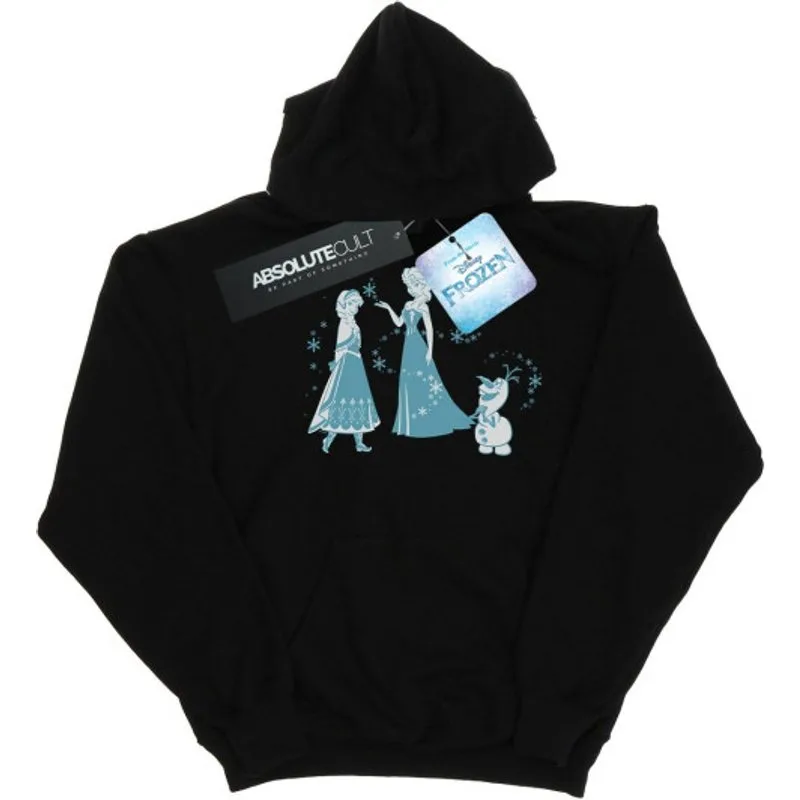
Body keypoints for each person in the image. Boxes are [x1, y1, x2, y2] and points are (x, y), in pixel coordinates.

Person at [375, 267, 473, 438]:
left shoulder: (424, 307)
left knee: (425, 380)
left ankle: (431, 418)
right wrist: (389, 308)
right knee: (409, 380)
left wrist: (430, 351)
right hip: (408, 346)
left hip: (418, 345)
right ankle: (412, 422)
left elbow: (429, 330)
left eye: (413, 285)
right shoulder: (407, 304)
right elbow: (399, 323)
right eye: (409, 286)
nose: (410, 289)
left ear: (421, 286)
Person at [308, 289, 379, 453]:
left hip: (356, 363)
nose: (355, 307)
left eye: (357, 305)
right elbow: (339, 347)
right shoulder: (345, 323)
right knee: (341, 402)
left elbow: (357, 345)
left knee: (359, 401)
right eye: (352, 304)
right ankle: (328, 440)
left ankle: (359, 443)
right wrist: (337, 367)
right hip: (347, 364)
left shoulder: (353, 323)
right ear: (345, 304)